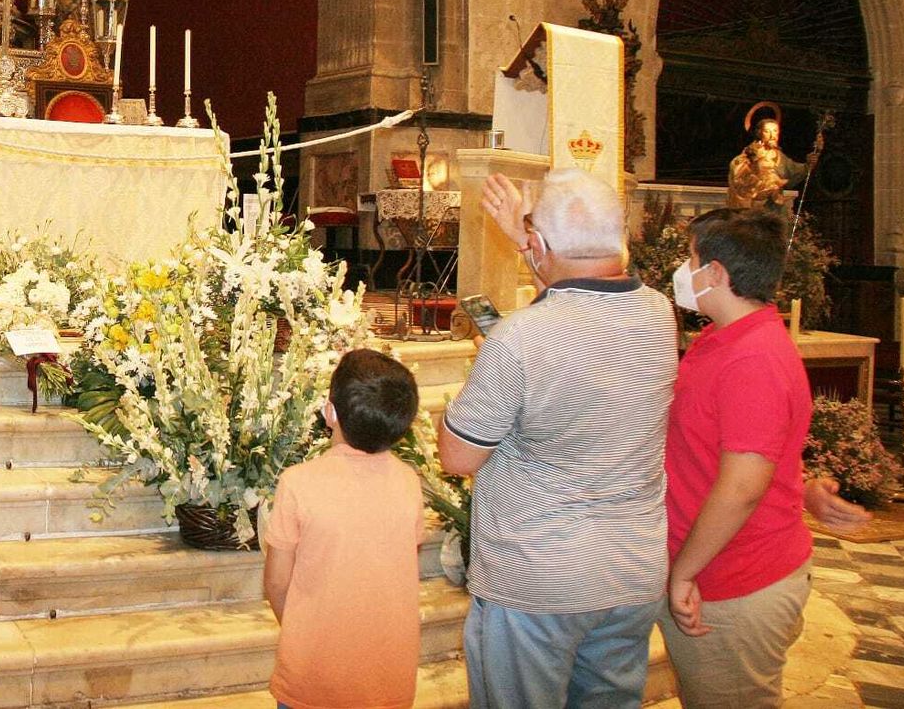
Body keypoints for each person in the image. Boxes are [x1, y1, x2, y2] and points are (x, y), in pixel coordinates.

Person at [440, 168, 678, 709]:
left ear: (540, 246)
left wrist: (454, 411)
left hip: (539, 580)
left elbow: (458, 456)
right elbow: (584, 286)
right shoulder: (659, 315)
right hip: (630, 574)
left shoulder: (519, 338)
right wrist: (529, 240)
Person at [663, 207, 869, 708]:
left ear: (716, 273)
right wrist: (805, 489)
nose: (681, 271)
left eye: (690, 259)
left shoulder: (752, 358)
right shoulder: (722, 337)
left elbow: (741, 487)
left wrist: (685, 572)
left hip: (734, 582)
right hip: (717, 566)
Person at [264, 348, 425, 709]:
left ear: (329, 411)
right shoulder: (408, 482)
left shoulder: (298, 483)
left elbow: (276, 582)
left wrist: (304, 630)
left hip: (313, 672)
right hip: (388, 674)